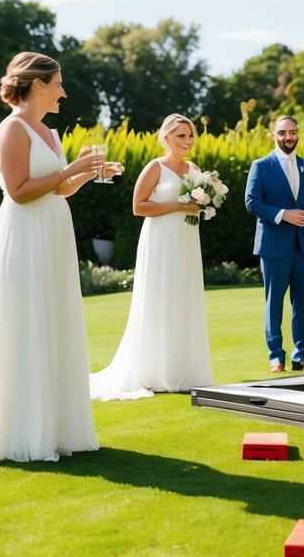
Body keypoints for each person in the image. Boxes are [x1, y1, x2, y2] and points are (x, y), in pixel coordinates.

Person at [0, 52, 112, 464]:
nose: (63, 91)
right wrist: (71, 171)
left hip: (53, 231)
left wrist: (88, 173)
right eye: (58, 84)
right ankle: (19, 430)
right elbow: (18, 190)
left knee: (53, 319)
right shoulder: (11, 129)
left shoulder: (50, 133)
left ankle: (54, 426)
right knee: (26, 321)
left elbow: (59, 189)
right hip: (24, 234)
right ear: (38, 85)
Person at [90, 113, 213, 400]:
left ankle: (183, 370)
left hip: (185, 239)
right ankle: (153, 370)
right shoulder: (154, 167)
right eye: (181, 135)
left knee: (184, 297)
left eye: (190, 135)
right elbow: (138, 207)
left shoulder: (194, 169)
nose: (187, 141)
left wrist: (202, 205)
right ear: (167, 137)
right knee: (159, 296)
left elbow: (197, 205)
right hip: (160, 239)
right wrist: (179, 206)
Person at [244, 115, 304, 373]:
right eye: (282, 133)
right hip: (274, 245)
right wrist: (283, 215)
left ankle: (302, 356)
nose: (288, 137)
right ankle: (276, 356)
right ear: (274, 135)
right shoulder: (261, 165)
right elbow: (252, 202)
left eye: (292, 132)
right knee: (274, 302)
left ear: (298, 134)